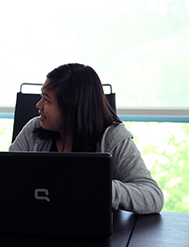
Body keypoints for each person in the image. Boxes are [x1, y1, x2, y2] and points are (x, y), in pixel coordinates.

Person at [10, 63, 164, 214]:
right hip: (35, 224)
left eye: (47, 100)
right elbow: (5, 179)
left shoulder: (112, 137)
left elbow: (152, 196)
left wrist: (101, 188)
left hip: (91, 233)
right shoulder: (34, 129)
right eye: (41, 97)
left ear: (72, 110)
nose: (39, 105)